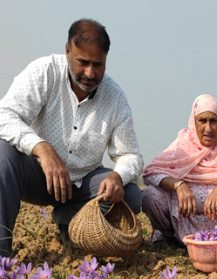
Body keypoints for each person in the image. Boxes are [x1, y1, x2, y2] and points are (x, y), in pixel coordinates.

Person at [0, 18, 143, 256]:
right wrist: (41, 148)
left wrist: (118, 175)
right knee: (2, 154)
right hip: (38, 176)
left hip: (83, 186)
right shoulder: (44, 72)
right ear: (68, 51)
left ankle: (69, 220)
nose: (90, 73)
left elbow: (130, 154)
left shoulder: (115, 96)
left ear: (106, 58)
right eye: (83, 62)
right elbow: (5, 115)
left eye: (97, 65)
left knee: (131, 195)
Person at [141, 94, 217, 243]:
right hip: (181, 216)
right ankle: (170, 237)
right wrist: (178, 185)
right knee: (149, 195)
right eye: (202, 121)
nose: (208, 128)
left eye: (213, 121)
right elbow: (150, 174)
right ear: (194, 122)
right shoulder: (183, 144)